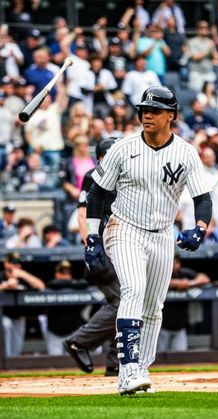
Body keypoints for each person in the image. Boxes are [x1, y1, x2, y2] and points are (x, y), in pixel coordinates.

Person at [84, 86, 212, 395]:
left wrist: (200, 228)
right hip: (124, 227)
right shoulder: (123, 147)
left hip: (162, 234)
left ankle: (141, 370)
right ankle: (127, 369)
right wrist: (91, 236)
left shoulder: (185, 152)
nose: (147, 114)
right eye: (143, 110)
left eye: (154, 110)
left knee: (154, 307)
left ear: (171, 115)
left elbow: (203, 197)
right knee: (134, 289)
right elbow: (97, 193)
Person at [63, 138, 120, 377]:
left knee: (128, 299)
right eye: (112, 153)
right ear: (100, 157)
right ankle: (79, 342)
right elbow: (82, 213)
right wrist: (90, 245)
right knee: (122, 300)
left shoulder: (123, 176)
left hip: (119, 245)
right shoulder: (94, 175)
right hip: (101, 248)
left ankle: (116, 362)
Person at [157, 253, 210, 352]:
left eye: (174, 263)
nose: (171, 266)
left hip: (180, 328)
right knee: (158, 359)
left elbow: (204, 278)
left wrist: (189, 283)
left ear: (178, 264)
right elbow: (153, 280)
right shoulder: (160, 273)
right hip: (161, 328)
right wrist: (176, 283)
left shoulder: (184, 273)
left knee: (180, 359)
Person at [0, 252, 45, 357]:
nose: (16, 266)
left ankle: (13, 363)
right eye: (13, 263)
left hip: (19, 315)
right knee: (6, 326)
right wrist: (5, 286)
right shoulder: (1, 275)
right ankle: (5, 361)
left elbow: (41, 286)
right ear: (6, 264)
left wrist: (24, 275)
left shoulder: (23, 276)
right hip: (3, 315)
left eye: (18, 263)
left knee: (18, 343)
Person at [45, 260, 87, 356]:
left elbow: (85, 283)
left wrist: (70, 283)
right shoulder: (52, 286)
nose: (65, 276)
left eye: (67, 273)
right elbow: (52, 283)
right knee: (55, 361)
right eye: (62, 273)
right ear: (57, 274)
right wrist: (70, 283)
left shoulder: (77, 286)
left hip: (73, 331)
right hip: (54, 332)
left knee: (74, 362)